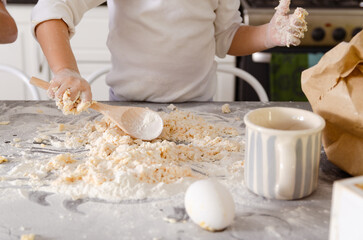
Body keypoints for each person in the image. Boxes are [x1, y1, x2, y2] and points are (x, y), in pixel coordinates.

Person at [31, 0, 307, 103]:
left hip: (200, 110)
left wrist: (267, 34)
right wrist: (65, 70)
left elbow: (226, 37)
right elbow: (52, 10)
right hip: (127, 108)